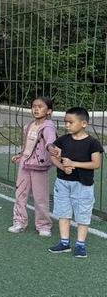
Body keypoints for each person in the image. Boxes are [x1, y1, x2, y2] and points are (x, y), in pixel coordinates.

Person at [48, 107, 104, 258]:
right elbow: (53, 155)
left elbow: (96, 164)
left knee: (83, 215)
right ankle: (64, 243)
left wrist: (73, 164)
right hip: (62, 183)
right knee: (63, 213)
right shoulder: (63, 140)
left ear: (83, 123)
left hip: (83, 185)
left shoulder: (93, 143)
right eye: (65, 122)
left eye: (71, 122)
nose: (67, 125)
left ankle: (80, 245)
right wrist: (62, 166)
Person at [7, 96, 57, 236]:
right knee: (20, 194)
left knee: (40, 197)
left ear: (49, 111)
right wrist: (21, 155)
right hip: (25, 164)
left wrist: (51, 147)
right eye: (34, 106)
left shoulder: (48, 126)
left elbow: (50, 140)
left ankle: (43, 225)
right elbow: (28, 146)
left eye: (40, 107)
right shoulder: (28, 126)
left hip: (39, 167)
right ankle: (19, 222)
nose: (36, 109)